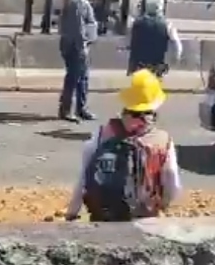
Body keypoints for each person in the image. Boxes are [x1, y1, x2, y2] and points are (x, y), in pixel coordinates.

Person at [64, 70, 182, 222]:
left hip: (102, 215)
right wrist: (163, 206)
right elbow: (171, 179)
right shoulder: (162, 140)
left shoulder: (103, 133)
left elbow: (84, 178)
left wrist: (72, 212)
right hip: (144, 216)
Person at [58, 0, 98, 122]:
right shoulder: (78, 2)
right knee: (74, 78)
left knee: (83, 78)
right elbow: (78, 27)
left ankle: (81, 108)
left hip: (77, 45)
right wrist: (82, 47)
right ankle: (66, 110)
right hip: (75, 47)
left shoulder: (79, 1)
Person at [128, 0, 182, 77]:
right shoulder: (167, 25)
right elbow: (177, 46)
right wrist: (175, 59)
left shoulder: (136, 23)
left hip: (139, 66)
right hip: (157, 67)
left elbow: (130, 43)